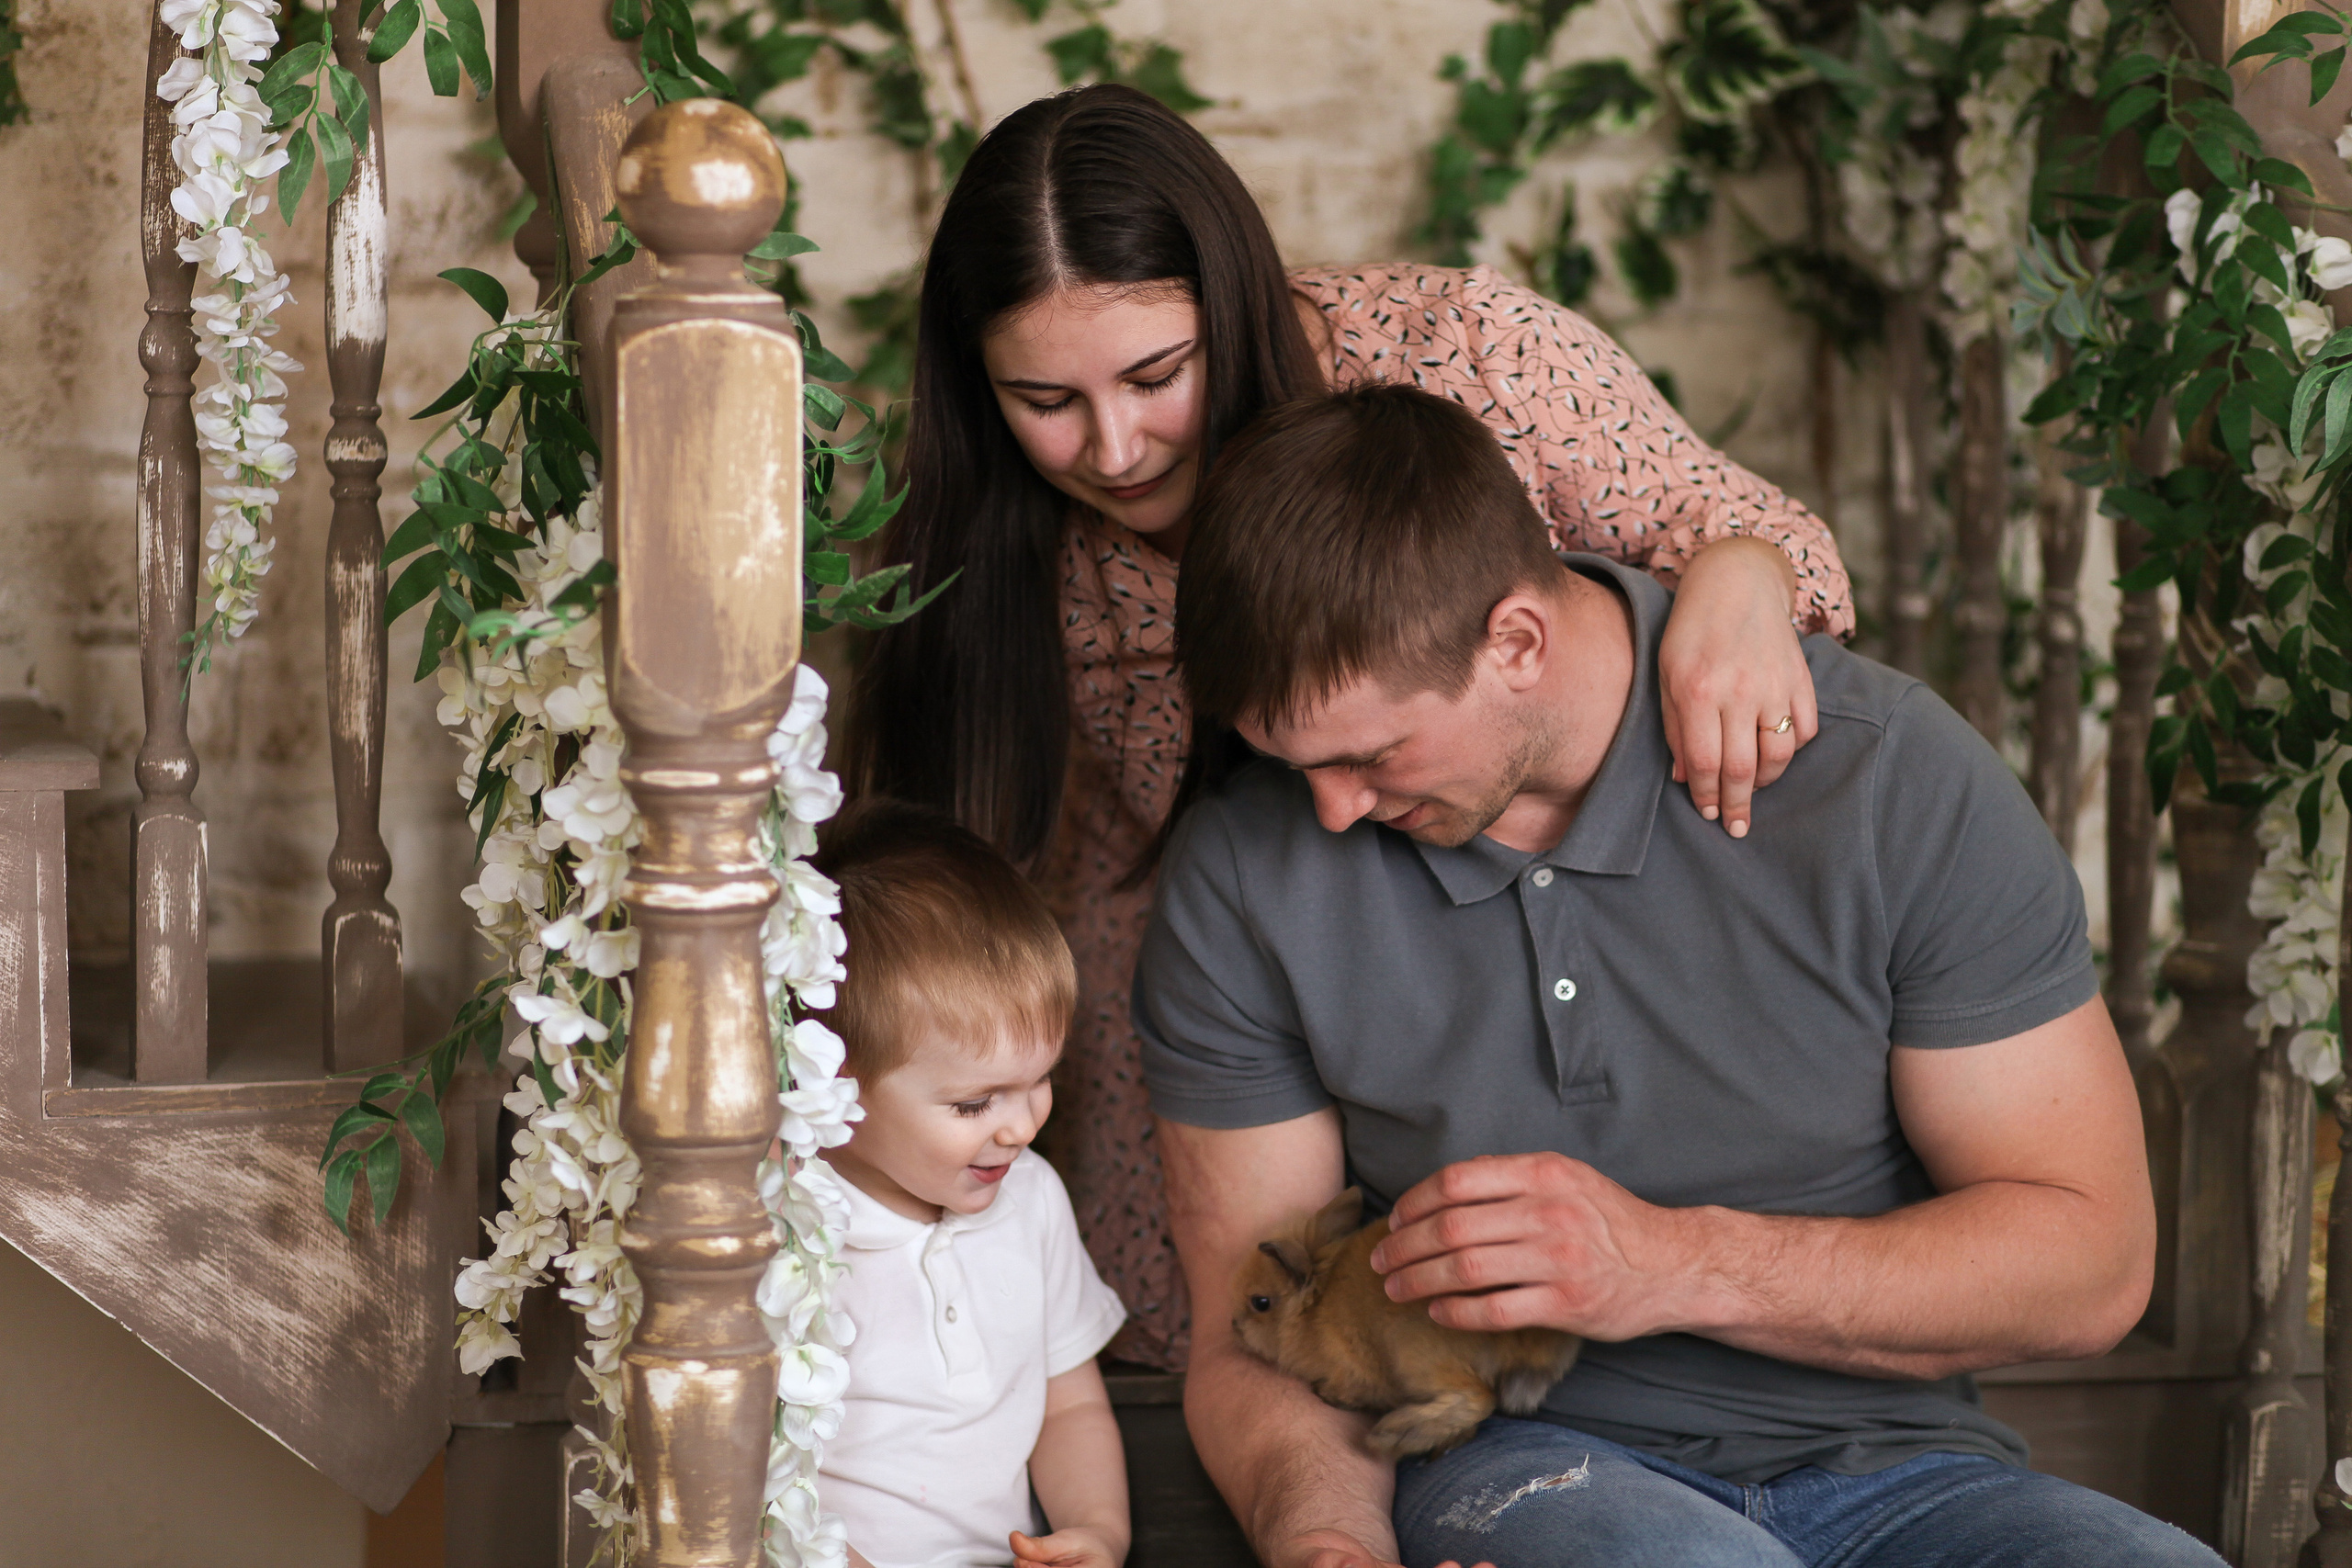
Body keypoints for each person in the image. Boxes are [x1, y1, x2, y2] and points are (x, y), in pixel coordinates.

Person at [845, 82, 1856, 1368]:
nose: (1113, 447)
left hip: (1557, 947)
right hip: (1224, 971)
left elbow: (1761, 552)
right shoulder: (1000, 534)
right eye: (1045, 399)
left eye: (1158, 375)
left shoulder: (1468, 354)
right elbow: (1027, 871)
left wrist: (1738, 576)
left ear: (1235, 300)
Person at [1133, 385, 2207, 1568]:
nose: (1333, 810)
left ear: (1517, 643)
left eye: (1370, 755)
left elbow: (2091, 1263)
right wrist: (1328, 1545)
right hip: (1522, 1465)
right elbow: (1255, 1337)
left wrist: (1669, 1263)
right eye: (1296, 768)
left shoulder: (1890, 783)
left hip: (1910, 1472)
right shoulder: (1243, 874)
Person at [810, 800, 1132, 1568]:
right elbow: (747, 1464)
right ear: (833, 1079)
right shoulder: (793, 1230)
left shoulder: (1034, 1198)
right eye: (974, 1103)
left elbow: (1071, 1403)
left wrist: (1096, 1530)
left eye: (1040, 1080)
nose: (1021, 1127)